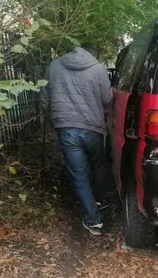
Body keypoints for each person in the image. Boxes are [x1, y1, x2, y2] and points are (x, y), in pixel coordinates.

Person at [40, 43, 113, 236]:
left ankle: (93, 220)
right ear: (94, 54)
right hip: (93, 129)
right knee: (98, 166)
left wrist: (52, 120)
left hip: (66, 128)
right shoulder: (98, 68)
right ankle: (98, 200)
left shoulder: (54, 66)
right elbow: (107, 98)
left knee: (79, 176)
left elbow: (44, 99)